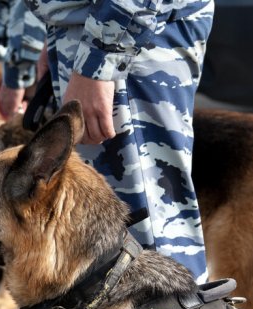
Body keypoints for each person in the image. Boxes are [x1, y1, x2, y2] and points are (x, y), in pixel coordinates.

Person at [22, 0, 215, 280]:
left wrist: (99, 61)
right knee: (110, 258)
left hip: (126, 38)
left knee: (151, 254)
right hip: (94, 34)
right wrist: (55, 34)